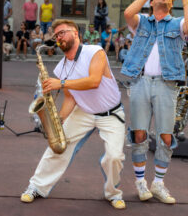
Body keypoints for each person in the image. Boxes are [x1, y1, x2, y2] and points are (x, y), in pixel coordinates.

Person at [20, 19, 127, 209]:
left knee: (114, 157)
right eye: (56, 35)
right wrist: (58, 121)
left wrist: (60, 84)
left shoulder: (95, 51)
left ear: (76, 33)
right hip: (83, 111)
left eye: (62, 32)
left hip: (111, 113)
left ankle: (113, 193)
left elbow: (93, 81)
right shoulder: (61, 67)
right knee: (58, 147)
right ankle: (36, 186)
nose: (58, 38)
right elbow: (71, 98)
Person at [121, 0, 188, 204]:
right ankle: (141, 182)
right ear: (151, 2)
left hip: (167, 83)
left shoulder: (177, 24)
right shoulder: (142, 21)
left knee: (165, 136)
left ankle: (159, 183)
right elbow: (127, 13)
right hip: (141, 81)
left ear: (171, 3)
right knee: (139, 133)